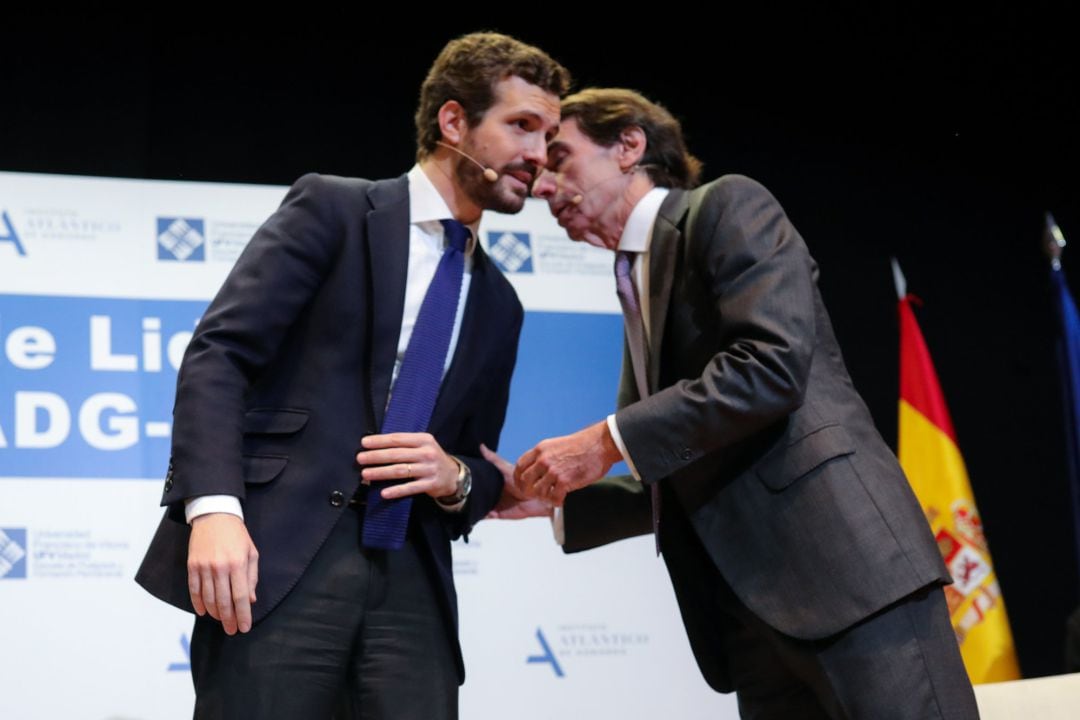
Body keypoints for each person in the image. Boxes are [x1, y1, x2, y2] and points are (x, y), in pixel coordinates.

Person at [487, 88, 980, 719]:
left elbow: (769, 369)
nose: (544, 188)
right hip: (751, 621)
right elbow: (692, 464)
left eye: (560, 159)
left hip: (850, 581)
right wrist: (557, 503)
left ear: (630, 147)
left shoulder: (725, 206)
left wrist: (604, 442)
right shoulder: (633, 281)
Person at [135, 32, 568, 719]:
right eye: (520, 126)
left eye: (548, 136)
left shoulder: (500, 302)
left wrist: (456, 478)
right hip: (279, 562)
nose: (539, 156)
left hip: (413, 588)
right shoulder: (334, 209)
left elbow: (478, 462)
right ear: (454, 122)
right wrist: (213, 510)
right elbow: (220, 355)